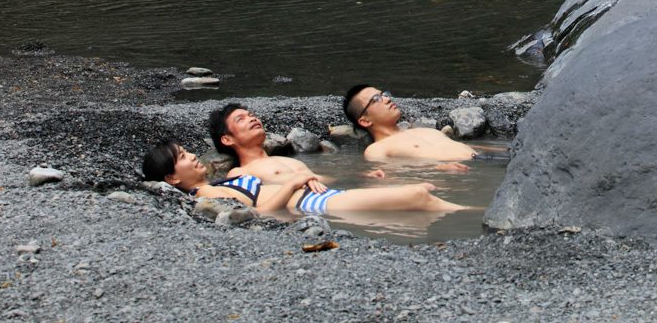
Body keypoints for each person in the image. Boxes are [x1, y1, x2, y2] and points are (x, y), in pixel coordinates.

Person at [142, 140, 463, 215]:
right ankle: (481, 219)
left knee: (421, 198)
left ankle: (472, 215)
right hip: (312, 205)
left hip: (314, 200)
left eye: (187, 151)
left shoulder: (216, 186)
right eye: (183, 157)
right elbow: (260, 213)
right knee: (418, 196)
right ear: (171, 178)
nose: (193, 156)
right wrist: (293, 184)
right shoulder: (205, 196)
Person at [209, 102, 387, 192]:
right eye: (241, 119)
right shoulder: (239, 172)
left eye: (252, 115)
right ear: (226, 139)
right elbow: (254, 198)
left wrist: (360, 177)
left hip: (330, 194)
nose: (253, 118)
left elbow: (319, 179)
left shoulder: (285, 160)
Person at [343, 84, 478, 166]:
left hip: (486, 159)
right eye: (376, 99)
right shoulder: (378, 149)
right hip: (464, 171)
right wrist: (437, 168)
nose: (387, 99)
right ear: (365, 120)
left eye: (383, 94)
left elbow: (467, 148)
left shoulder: (423, 131)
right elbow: (389, 181)